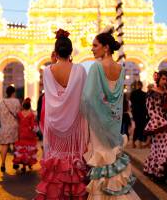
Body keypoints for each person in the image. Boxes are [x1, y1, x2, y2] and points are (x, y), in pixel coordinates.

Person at [81, 27, 138, 199]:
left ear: (106, 48)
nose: (92, 48)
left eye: (95, 45)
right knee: (112, 158)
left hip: (98, 121)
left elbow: (87, 98)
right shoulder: (120, 69)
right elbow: (118, 98)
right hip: (114, 120)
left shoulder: (97, 68)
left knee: (101, 160)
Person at [36, 29, 88, 199]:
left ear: (55, 52)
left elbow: (49, 97)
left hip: (54, 125)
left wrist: (54, 62)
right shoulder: (80, 70)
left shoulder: (48, 71)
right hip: (75, 125)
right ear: (71, 51)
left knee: (56, 163)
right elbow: (85, 98)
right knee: (74, 161)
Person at [0, 85, 20, 172]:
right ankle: (15, 163)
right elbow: (18, 114)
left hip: (4, 127)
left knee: (5, 146)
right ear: (13, 92)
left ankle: (3, 164)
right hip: (14, 126)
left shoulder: (2, 102)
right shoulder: (16, 101)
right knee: (15, 145)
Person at [12, 98, 38, 172]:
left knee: (22, 150)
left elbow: (17, 122)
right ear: (29, 106)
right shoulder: (31, 114)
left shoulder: (19, 114)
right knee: (29, 149)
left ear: (23, 106)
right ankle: (29, 164)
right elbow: (32, 125)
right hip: (29, 134)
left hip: (21, 133)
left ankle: (23, 166)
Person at [130, 81, 148, 148]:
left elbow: (132, 103)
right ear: (142, 86)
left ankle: (133, 142)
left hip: (135, 113)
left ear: (137, 85)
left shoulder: (133, 93)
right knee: (141, 127)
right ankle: (139, 143)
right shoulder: (144, 94)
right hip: (142, 113)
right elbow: (146, 105)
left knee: (137, 127)